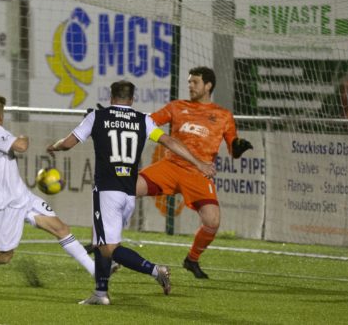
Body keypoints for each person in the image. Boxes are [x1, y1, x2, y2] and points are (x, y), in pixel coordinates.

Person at [47, 80, 215, 305]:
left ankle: (156, 271)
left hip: (107, 191)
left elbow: (68, 144)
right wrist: (199, 164)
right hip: (129, 193)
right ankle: (100, 293)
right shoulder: (143, 120)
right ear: (132, 99)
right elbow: (169, 141)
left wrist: (54, 146)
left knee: (110, 247)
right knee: (101, 242)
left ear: (111, 97)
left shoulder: (97, 117)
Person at [0, 95, 95, 289]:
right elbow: (22, 146)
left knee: (61, 229)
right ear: (0, 116)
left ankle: (96, 271)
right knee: (4, 256)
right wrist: (24, 136)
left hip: (22, 197)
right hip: (6, 204)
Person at [136, 66, 253, 279]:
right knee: (125, 187)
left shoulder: (223, 115)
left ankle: (192, 259)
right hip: (170, 167)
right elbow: (147, 123)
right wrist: (122, 119)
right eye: (189, 82)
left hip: (199, 173)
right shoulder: (176, 107)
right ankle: (105, 242)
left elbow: (233, 149)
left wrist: (239, 146)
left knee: (212, 221)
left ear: (208, 86)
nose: (190, 85)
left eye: (195, 82)